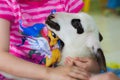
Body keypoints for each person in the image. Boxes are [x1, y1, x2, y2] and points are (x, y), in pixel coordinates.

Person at [0, 0, 100, 80]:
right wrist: (49, 73)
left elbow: (84, 40)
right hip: (19, 74)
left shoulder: (66, 2)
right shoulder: (6, 3)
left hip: (61, 73)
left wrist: (92, 64)